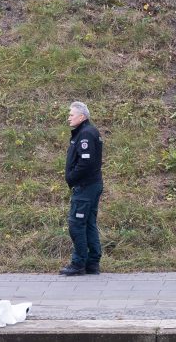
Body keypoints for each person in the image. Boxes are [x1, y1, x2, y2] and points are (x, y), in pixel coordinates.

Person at [60, 101, 103, 277]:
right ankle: (92, 263)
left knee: (76, 225)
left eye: (72, 114)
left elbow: (86, 162)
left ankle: (78, 263)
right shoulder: (86, 132)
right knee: (89, 224)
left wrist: (71, 177)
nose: (69, 117)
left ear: (82, 117)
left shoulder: (85, 135)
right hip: (91, 185)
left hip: (85, 187)